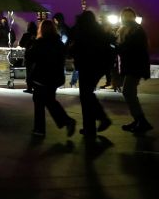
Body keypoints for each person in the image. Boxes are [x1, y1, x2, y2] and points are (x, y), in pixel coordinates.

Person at [67, 10, 113, 143]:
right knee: (86, 95)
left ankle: (101, 119)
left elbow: (75, 48)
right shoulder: (98, 31)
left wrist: (71, 49)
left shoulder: (83, 31)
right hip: (97, 67)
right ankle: (89, 127)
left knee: (86, 96)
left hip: (86, 66)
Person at [25, 18, 75, 137]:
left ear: (41, 29)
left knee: (39, 103)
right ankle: (66, 121)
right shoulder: (58, 43)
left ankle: (40, 129)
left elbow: (30, 57)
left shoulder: (39, 43)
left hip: (41, 77)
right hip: (54, 78)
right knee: (50, 101)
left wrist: (31, 43)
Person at [116, 8, 152, 134]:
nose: (127, 18)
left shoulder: (136, 30)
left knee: (128, 92)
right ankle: (138, 120)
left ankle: (141, 121)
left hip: (135, 67)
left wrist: (115, 46)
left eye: (129, 16)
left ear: (133, 17)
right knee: (129, 93)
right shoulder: (125, 30)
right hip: (132, 67)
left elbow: (129, 48)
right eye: (124, 15)